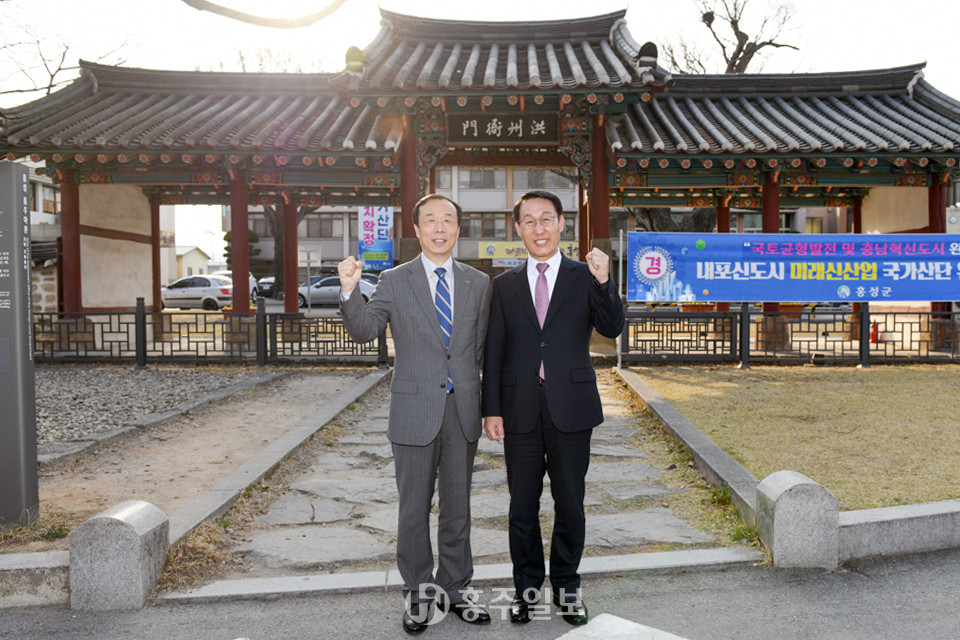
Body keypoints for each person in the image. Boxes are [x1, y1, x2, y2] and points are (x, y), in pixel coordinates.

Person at [338, 194, 492, 635]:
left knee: (458, 508)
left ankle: (457, 589)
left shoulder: (478, 283)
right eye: (431, 220)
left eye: (448, 220)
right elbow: (364, 332)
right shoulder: (393, 280)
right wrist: (350, 289)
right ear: (417, 230)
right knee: (413, 510)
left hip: (462, 409)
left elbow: (477, 349)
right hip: (412, 410)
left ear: (458, 229)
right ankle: (419, 594)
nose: (440, 227)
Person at [481, 190, 625, 627]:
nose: (539, 228)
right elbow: (494, 350)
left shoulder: (585, 275)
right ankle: (526, 593)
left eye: (547, 219)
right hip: (519, 407)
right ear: (518, 229)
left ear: (562, 224)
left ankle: (567, 589)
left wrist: (605, 281)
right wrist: (491, 409)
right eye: (529, 221)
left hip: (571, 406)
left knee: (571, 503)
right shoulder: (503, 285)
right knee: (521, 507)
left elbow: (611, 326)